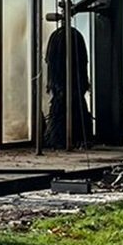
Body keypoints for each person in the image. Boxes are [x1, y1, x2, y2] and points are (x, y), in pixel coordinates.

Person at [44, 20, 91, 149]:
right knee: (70, 102)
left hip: (63, 86)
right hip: (71, 86)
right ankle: (75, 138)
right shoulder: (75, 38)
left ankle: (59, 138)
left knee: (62, 103)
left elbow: (51, 63)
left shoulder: (57, 39)